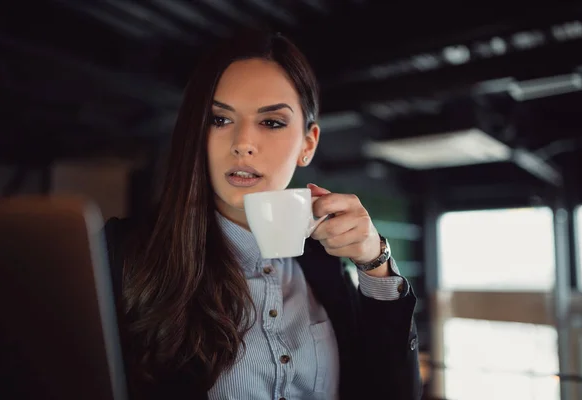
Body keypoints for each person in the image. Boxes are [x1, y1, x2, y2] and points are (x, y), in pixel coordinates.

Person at [103, 29, 421, 400]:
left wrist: (375, 263)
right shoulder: (122, 256)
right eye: (220, 120)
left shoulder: (324, 264)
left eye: (271, 122)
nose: (243, 144)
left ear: (308, 144)